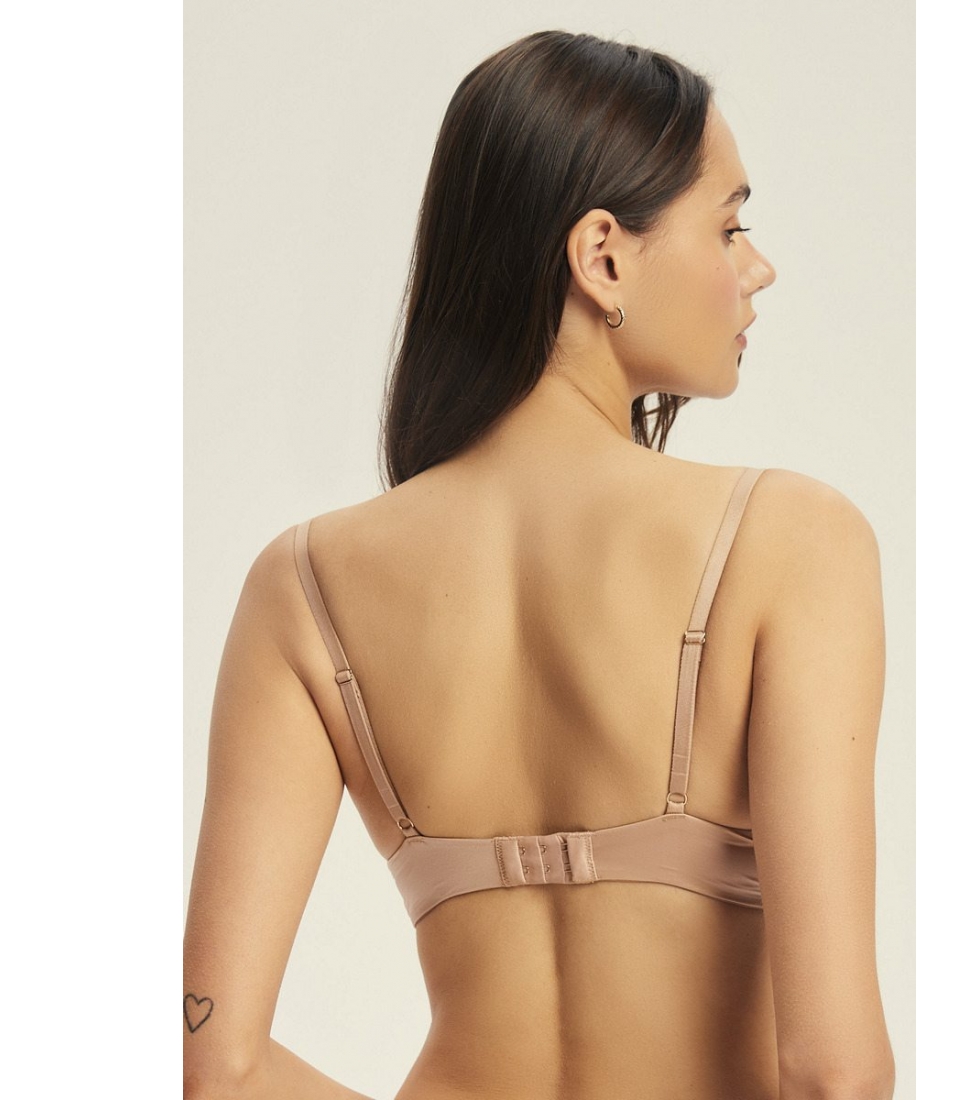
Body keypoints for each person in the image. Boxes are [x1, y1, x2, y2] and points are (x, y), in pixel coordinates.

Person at [183, 29, 895, 1100]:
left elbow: (214, 1062)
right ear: (602, 255)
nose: (757, 267)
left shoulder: (302, 586)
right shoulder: (791, 540)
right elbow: (834, 1073)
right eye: (729, 225)